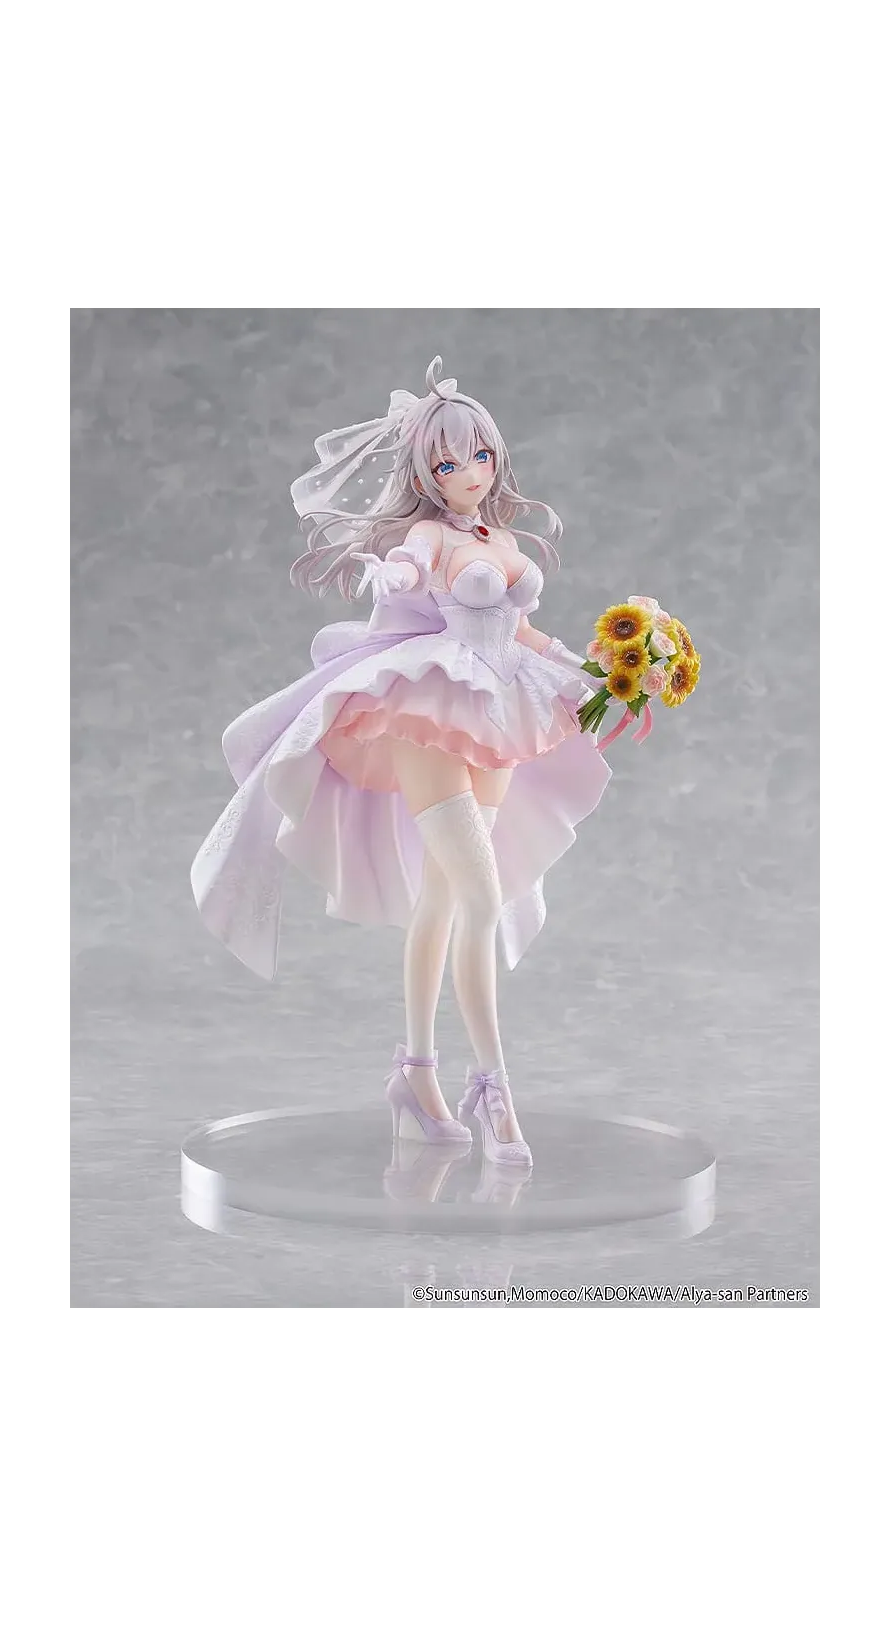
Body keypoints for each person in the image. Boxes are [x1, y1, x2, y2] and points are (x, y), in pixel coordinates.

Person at [190, 358, 612, 1166]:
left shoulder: (501, 539)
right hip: (430, 708)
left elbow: (522, 631)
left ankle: (415, 1077)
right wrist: (394, 571)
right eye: (449, 463)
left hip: (499, 710)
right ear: (425, 472)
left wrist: (597, 668)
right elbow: (408, 574)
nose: (469, 473)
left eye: (480, 456)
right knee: (483, 895)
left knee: (447, 897)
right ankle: (494, 1088)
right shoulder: (428, 536)